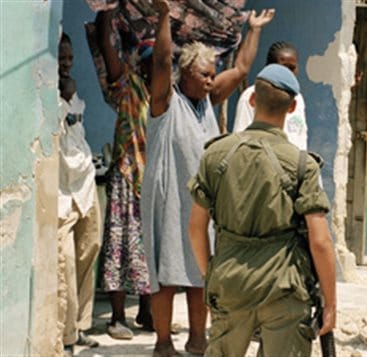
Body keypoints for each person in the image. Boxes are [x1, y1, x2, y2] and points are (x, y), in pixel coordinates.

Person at [141, 1, 274, 355]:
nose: (211, 80)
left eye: (212, 73)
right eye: (204, 74)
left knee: (201, 272)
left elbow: (243, 67)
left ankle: (198, 338)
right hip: (168, 199)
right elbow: (161, 61)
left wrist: (255, 29)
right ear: (185, 73)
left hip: (200, 203)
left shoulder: (209, 99)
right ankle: (163, 342)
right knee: (166, 274)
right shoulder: (164, 102)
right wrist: (165, 17)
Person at [188, 63, 336, 356]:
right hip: (284, 287)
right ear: (293, 108)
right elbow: (320, 242)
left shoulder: (216, 154)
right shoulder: (300, 164)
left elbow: (195, 229)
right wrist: (330, 303)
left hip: (230, 281)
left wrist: (212, 277)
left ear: (252, 100)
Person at [95, 9, 153, 339]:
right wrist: (104, 15)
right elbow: (107, 50)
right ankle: (118, 317)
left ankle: (146, 311)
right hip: (127, 176)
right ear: (141, 63)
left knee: (148, 249)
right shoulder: (128, 85)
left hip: (150, 182)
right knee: (120, 245)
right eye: (152, 61)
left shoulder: (162, 96)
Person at [57, 33, 102, 355]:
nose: (66, 64)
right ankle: (67, 333)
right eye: (61, 57)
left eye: (70, 58)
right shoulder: (46, 96)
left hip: (85, 185)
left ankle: (82, 325)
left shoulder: (74, 95)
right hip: (60, 192)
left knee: (89, 251)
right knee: (65, 263)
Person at [233, 41, 308, 150]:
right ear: (270, 67)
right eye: (283, 67)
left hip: (293, 163)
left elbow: (301, 137)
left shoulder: (298, 99)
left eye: (292, 68)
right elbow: (241, 136)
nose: (288, 72)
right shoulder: (253, 94)